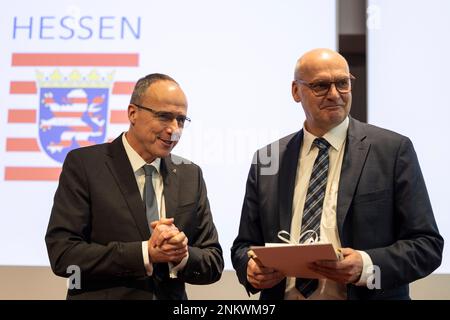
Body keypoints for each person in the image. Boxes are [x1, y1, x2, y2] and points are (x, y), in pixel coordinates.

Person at [231, 48, 443, 300]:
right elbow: (243, 245)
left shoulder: (393, 150)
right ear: (296, 91)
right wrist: (251, 269)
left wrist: (365, 266)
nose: (334, 94)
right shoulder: (269, 158)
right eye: (320, 86)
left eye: (342, 83)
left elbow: (427, 245)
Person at [46, 73, 223, 299]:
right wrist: (144, 253)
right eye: (164, 116)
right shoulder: (84, 165)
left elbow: (214, 262)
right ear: (133, 113)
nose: (173, 129)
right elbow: (63, 255)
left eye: (180, 120)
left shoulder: (190, 175)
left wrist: (181, 255)